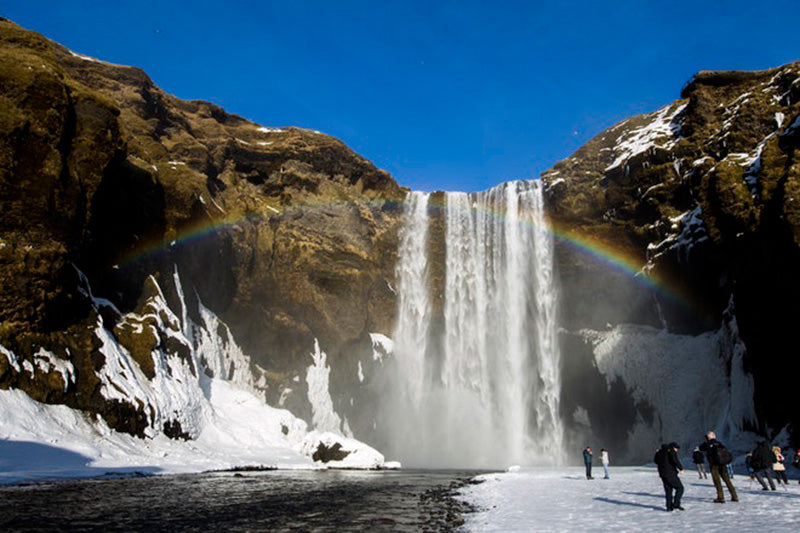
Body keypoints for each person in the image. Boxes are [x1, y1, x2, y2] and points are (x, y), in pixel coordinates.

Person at [699, 430, 738, 503]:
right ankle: (734, 496)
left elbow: (701, 448)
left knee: (717, 481)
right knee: (727, 480)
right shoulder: (719, 443)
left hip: (714, 465)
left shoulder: (708, 444)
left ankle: (721, 497)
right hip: (723, 464)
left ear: (708, 437)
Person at [654, 442, 684, 511]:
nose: (677, 450)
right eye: (677, 448)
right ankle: (676, 504)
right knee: (680, 488)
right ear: (673, 447)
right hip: (670, 473)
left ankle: (669, 507)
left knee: (668, 490)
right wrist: (681, 468)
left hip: (662, 474)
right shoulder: (671, 451)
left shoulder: (659, 452)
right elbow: (675, 460)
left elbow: (655, 461)